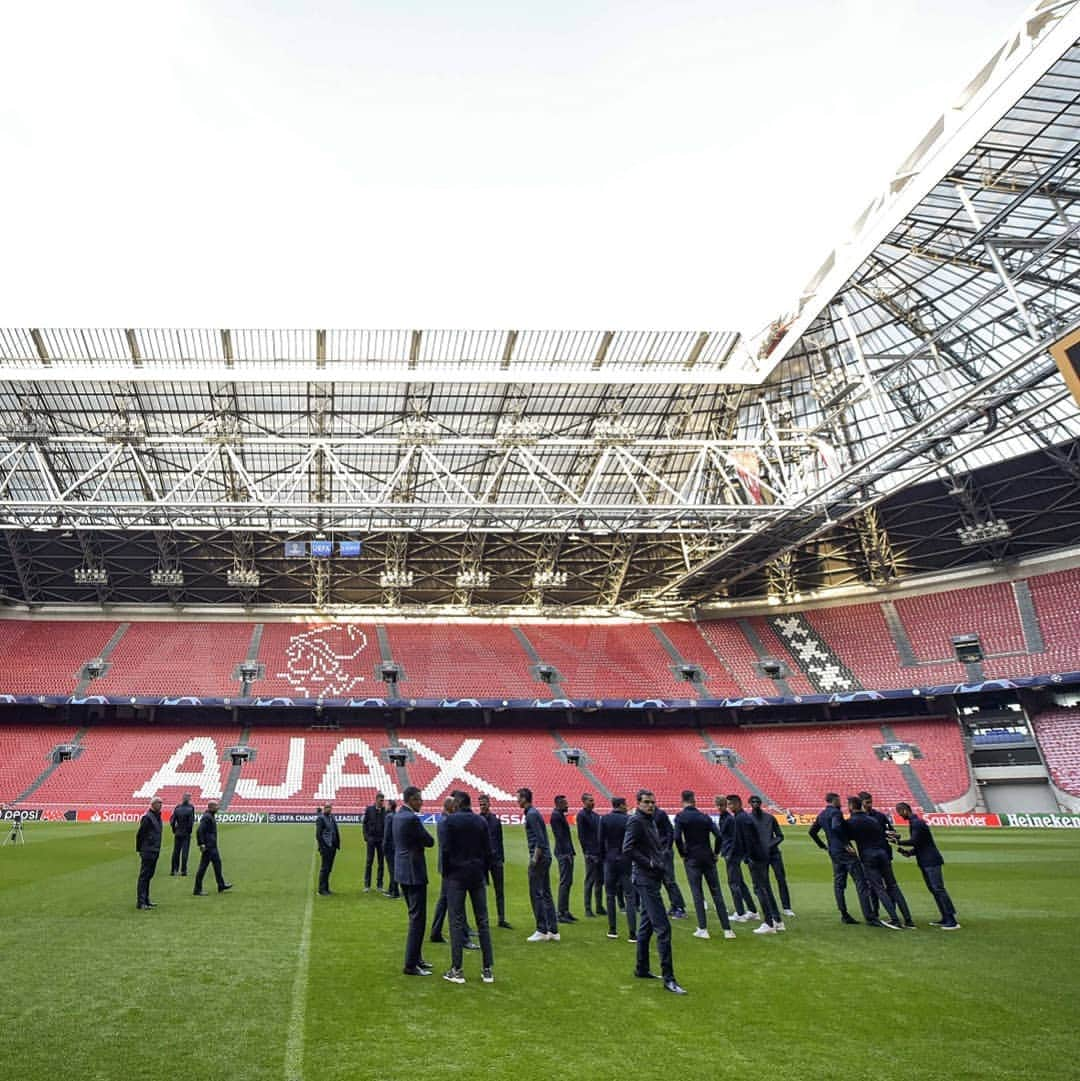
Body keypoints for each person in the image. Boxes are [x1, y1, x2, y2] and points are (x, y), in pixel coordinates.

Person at [623, 789, 686, 994]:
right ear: (638, 803)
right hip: (645, 879)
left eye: (653, 802)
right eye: (647, 802)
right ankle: (669, 978)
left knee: (646, 926)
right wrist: (649, 863)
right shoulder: (636, 821)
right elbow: (628, 849)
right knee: (663, 928)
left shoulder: (649, 820)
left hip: (652, 877)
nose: (651, 805)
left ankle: (641, 968)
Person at [440, 791, 495, 984]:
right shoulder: (481, 822)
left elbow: (445, 850)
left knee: (456, 921)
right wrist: (483, 871)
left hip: (456, 875)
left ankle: (457, 969)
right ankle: (487, 969)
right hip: (477, 874)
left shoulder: (450, 822)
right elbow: (489, 851)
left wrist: (447, 873)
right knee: (483, 922)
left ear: (458, 803)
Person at [673, 790, 735, 940]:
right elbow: (719, 836)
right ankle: (727, 930)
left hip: (692, 858)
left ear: (683, 800)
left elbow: (676, 837)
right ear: (695, 800)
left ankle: (703, 929)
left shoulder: (681, 817)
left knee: (697, 893)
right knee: (716, 893)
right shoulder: (705, 817)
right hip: (708, 857)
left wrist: (682, 853)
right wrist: (715, 853)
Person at [895, 802, 960, 930]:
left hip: (931, 861)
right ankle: (945, 917)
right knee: (934, 890)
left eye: (899, 812)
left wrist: (898, 841)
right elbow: (921, 843)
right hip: (926, 860)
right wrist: (909, 853)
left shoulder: (917, 823)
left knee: (938, 889)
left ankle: (951, 920)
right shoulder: (916, 823)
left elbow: (915, 841)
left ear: (904, 811)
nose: (898, 815)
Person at [843, 796, 903, 929]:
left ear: (852, 806)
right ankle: (904, 918)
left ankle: (894, 918)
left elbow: (845, 836)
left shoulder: (852, 821)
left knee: (879, 887)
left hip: (869, 856)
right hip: (882, 854)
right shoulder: (872, 819)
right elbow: (883, 835)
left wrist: (846, 844)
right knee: (890, 886)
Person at [393, 785, 435, 975]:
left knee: (414, 916)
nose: (422, 802)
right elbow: (429, 841)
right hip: (414, 872)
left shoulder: (397, 816)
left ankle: (417, 958)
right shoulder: (411, 819)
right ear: (410, 800)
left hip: (402, 871)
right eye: (419, 799)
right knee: (418, 919)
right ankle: (411, 965)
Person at [728, 795, 783, 934]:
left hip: (756, 858)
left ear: (737, 804)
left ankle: (769, 923)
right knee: (766, 889)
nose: (729, 807)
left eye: (730, 804)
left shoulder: (741, 819)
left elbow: (746, 841)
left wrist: (743, 856)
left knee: (760, 889)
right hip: (760, 856)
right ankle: (777, 920)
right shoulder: (745, 818)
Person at [809, 792, 865, 924]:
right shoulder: (836, 813)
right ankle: (869, 913)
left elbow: (812, 832)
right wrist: (846, 844)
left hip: (833, 851)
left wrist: (822, 846)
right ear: (834, 801)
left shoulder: (822, 814)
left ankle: (844, 913)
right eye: (839, 801)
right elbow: (835, 826)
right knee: (860, 880)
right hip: (844, 850)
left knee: (839, 883)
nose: (841, 804)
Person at [860, 792, 913, 927]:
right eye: (867, 803)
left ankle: (894, 915)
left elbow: (892, 833)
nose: (870, 805)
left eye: (870, 802)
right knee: (876, 886)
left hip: (878, 855)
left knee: (886, 886)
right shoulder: (864, 817)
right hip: (880, 854)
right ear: (862, 803)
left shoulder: (879, 816)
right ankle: (877, 913)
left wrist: (894, 835)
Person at [430, 796, 476, 948]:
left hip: (447, 867)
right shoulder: (446, 822)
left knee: (444, 901)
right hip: (451, 868)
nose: (457, 808)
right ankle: (463, 939)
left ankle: (436, 932)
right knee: (456, 904)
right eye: (455, 805)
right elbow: (448, 847)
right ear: (450, 807)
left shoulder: (443, 820)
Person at [518, 787, 559, 942]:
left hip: (540, 859)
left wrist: (534, 860)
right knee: (546, 893)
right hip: (546, 857)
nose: (517, 801)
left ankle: (541, 929)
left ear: (524, 798)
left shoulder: (532, 815)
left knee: (536, 893)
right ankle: (553, 931)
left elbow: (540, 840)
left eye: (518, 798)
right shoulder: (534, 813)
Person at [748, 795, 794, 917]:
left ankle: (786, 907)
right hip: (759, 856)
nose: (755, 804)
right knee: (763, 882)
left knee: (781, 879)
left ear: (760, 803)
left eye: (757, 801)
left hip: (774, 854)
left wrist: (770, 845)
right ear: (749, 804)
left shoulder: (770, 818)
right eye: (753, 802)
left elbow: (780, 835)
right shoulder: (748, 819)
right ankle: (769, 908)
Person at [715, 794, 756, 922]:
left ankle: (740, 913)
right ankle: (752, 910)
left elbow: (731, 838)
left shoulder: (728, 819)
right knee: (740, 882)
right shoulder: (727, 818)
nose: (720, 807)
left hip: (731, 854)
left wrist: (729, 853)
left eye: (722, 805)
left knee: (733, 883)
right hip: (732, 853)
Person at [601, 796, 637, 941]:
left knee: (610, 895)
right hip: (625, 860)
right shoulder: (629, 820)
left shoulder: (604, 819)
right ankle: (632, 933)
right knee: (629, 896)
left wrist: (604, 858)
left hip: (610, 859)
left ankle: (612, 930)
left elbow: (600, 841)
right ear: (622, 805)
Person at [478, 793, 510, 928]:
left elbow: (499, 840)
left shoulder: (495, 820)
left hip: (496, 860)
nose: (482, 806)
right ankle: (483, 920)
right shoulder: (477, 820)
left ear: (489, 804)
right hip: (482, 861)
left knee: (499, 891)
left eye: (484, 804)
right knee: (481, 892)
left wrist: (501, 858)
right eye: (480, 804)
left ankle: (501, 919)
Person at [653, 802, 688, 918]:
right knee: (661, 880)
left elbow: (670, 831)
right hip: (654, 851)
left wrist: (667, 848)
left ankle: (680, 907)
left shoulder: (660, 814)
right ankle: (674, 905)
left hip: (663, 851)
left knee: (669, 880)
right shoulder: (646, 816)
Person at [193, 800, 233, 896]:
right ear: (211, 807)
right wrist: (201, 844)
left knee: (217, 865)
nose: (217, 808)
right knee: (202, 868)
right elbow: (199, 831)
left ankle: (221, 885)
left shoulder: (210, 816)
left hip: (212, 846)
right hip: (208, 847)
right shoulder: (207, 817)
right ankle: (197, 889)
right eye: (216, 806)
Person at [577, 792, 605, 917]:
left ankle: (599, 906)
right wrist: (586, 852)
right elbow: (581, 836)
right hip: (590, 853)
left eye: (593, 800)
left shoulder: (596, 816)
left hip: (599, 852)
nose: (592, 802)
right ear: (584, 802)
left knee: (600, 880)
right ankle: (587, 908)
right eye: (590, 800)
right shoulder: (581, 815)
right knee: (590, 880)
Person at [550, 794, 577, 923]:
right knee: (565, 882)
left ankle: (565, 910)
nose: (567, 805)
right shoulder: (556, 816)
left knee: (568, 882)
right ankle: (561, 913)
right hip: (563, 853)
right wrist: (567, 854)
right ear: (558, 804)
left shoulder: (559, 815)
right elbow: (560, 837)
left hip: (566, 852)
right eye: (565, 803)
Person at [135, 797, 163, 910]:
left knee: (149, 876)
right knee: (144, 876)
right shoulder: (147, 818)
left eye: (161, 803)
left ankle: (146, 899)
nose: (161, 805)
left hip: (154, 849)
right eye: (159, 803)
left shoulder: (157, 817)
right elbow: (140, 834)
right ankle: (141, 901)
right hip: (148, 850)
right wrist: (140, 849)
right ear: (153, 804)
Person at [362, 792, 387, 893]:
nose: (382, 802)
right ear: (376, 800)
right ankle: (367, 885)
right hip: (371, 839)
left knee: (381, 863)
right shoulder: (369, 809)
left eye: (383, 801)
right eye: (380, 800)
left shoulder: (385, 811)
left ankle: (379, 885)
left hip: (381, 840)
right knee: (369, 862)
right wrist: (366, 836)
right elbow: (364, 823)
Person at [315, 802, 340, 896]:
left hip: (332, 846)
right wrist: (322, 847)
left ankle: (326, 888)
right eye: (326, 807)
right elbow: (318, 834)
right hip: (326, 847)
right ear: (323, 808)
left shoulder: (332, 817)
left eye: (329, 807)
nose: (328, 809)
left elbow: (334, 830)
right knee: (325, 868)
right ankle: (321, 890)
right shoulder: (321, 818)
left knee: (329, 868)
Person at [169, 793, 196, 876]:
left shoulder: (177, 808)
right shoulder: (191, 808)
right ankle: (183, 870)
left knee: (176, 851)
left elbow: (172, 821)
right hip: (186, 833)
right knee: (185, 852)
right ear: (189, 799)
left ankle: (173, 869)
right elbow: (191, 822)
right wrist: (189, 831)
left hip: (178, 832)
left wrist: (174, 830)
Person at [382, 799, 399, 898]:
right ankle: (391, 889)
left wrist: (384, 845)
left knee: (392, 869)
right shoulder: (396, 816)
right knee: (394, 869)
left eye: (387, 805)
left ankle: (394, 892)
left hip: (389, 847)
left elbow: (387, 833)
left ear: (390, 806)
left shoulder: (389, 817)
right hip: (396, 845)